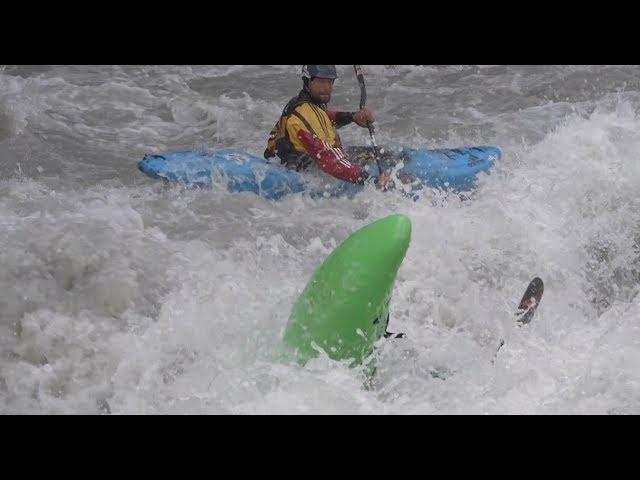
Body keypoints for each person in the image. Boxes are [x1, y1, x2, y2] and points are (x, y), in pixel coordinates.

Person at [264, 65, 391, 188]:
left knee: (385, 155)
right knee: (380, 159)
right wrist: (370, 181)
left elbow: (324, 117)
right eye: (321, 82)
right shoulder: (303, 116)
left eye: (330, 82)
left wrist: (352, 117)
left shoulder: (307, 102)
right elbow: (328, 160)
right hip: (301, 170)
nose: (326, 88)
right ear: (307, 81)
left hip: (312, 158)